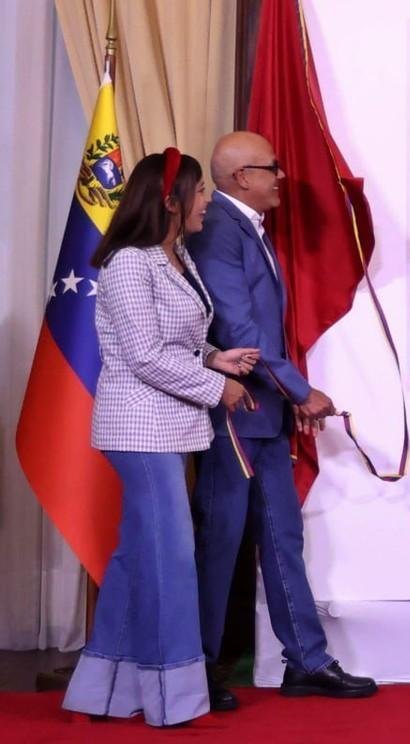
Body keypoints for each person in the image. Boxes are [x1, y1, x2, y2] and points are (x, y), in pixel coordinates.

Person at [61, 148, 258, 727]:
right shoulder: (129, 263)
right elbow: (144, 355)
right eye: (199, 192)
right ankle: (174, 698)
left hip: (170, 426)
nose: (206, 202)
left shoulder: (177, 257)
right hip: (138, 428)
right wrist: (217, 387)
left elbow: (177, 339)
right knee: (171, 554)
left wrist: (216, 357)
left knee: (136, 555)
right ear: (171, 201)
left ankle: (104, 692)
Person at [189, 131, 377, 707]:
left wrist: (287, 396)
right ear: (242, 176)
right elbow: (237, 330)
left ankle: (307, 661)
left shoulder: (248, 227)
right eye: (272, 167)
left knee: (282, 539)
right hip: (233, 414)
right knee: (220, 544)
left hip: (264, 412)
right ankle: (195, 670)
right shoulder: (219, 229)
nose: (282, 176)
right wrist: (300, 389)